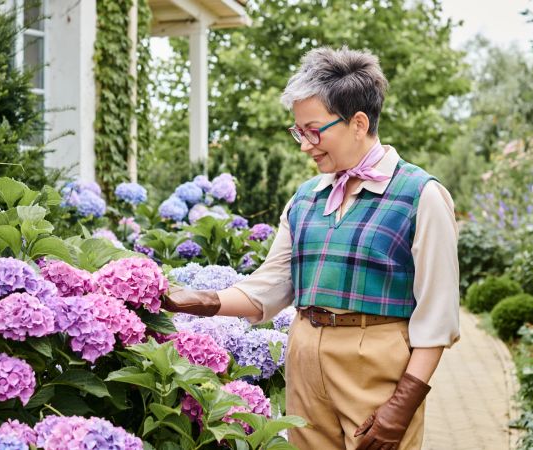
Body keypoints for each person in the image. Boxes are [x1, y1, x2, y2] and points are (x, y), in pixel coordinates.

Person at [162, 46, 460, 450]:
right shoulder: (305, 198)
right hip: (304, 360)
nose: (305, 144)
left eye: (313, 130)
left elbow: (437, 316)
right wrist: (193, 300)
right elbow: (269, 288)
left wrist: (403, 404)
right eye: (298, 131)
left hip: (375, 365)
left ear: (358, 123)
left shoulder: (421, 195)